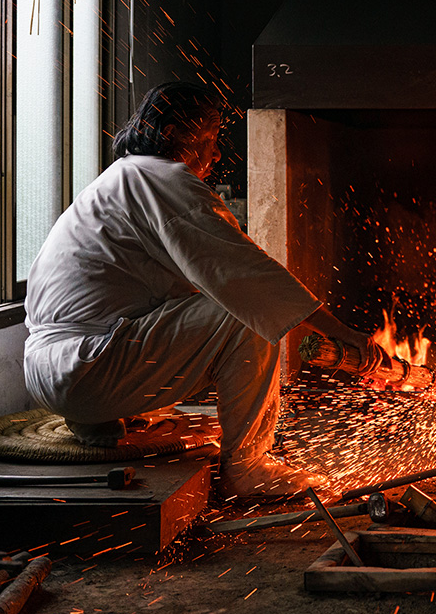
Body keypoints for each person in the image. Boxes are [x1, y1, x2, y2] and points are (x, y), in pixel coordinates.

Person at [23, 82, 382, 502]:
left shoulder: (123, 176)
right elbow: (250, 280)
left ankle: (100, 420)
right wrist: (344, 334)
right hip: (87, 370)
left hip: (53, 370)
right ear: (176, 134)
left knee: (211, 304)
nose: (213, 157)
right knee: (243, 315)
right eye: (209, 140)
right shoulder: (162, 177)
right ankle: (247, 468)